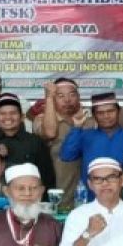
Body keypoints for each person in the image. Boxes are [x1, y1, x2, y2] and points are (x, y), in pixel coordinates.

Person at [60, 93, 123, 192]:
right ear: (94, 115)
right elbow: (66, 156)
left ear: (118, 111)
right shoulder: (85, 135)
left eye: (110, 111)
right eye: (100, 113)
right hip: (91, 198)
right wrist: (77, 127)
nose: (106, 116)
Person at [39, 77, 92, 209]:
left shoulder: (91, 121)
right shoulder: (42, 120)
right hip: (58, 194)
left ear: (79, 97)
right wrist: (49, 98)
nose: (67, 100)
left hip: (87, 194)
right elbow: (50, 133)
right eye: (60, 96)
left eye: (72, 95)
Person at [0, 95, 56, 192]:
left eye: (13, 113)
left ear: (22, 117)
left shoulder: (36, 142)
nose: (8, 117)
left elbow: (47, 178)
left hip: (29, 197)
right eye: (2, 114)